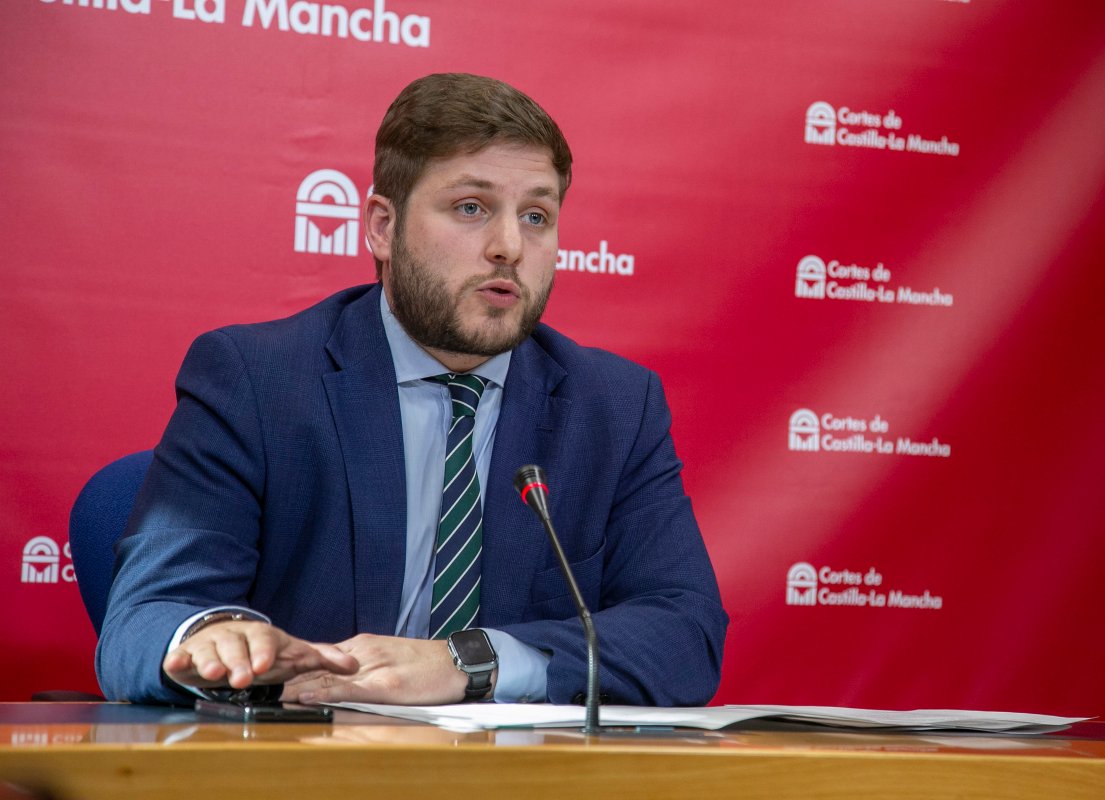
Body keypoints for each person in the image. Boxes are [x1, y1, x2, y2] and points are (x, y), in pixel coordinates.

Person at [97, 73, 727, 707]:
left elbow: (685, 634)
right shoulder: (255, 379)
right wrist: (217, 640)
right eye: (471, 208)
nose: (509, 246)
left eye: (536, 216)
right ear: (380, 226)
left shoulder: (614, 406)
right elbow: (147, 618)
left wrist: (468, 663)